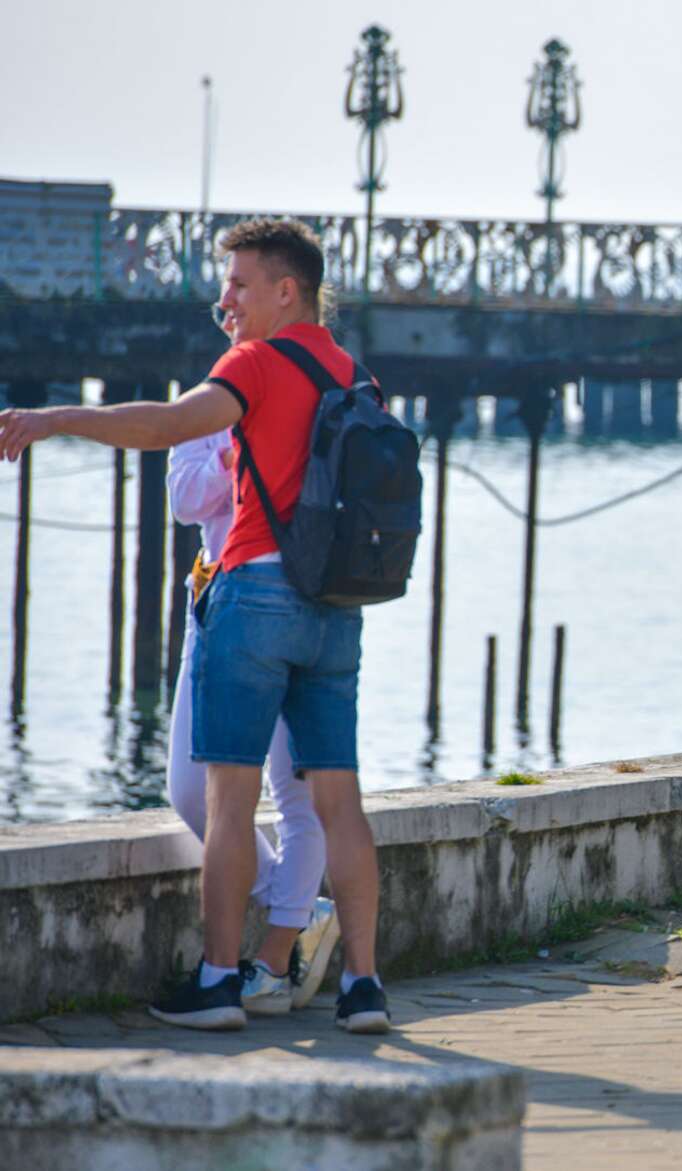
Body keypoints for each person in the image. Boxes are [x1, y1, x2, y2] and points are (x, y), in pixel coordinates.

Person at [0, 218, 390, 1033]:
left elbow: (169, 427)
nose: (229, 302)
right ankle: (362, 988)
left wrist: (57, 417)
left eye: (241, 285)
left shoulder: (255, 362)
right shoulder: (353, 374)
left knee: (227, 797)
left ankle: (221, 980)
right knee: (338, 803)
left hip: (252, 595)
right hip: (336, 610)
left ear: (289, 290)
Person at [166, 425, 340, 1013]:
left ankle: (275, 955)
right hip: (218, 601)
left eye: (237, 319)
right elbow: (186, 500)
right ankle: (296, 909)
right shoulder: (209, 400)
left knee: (298, 787)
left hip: (310, 604)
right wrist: (232, 456)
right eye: (224, 321)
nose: (231, 325)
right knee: (191, 790)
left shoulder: (324, 389)